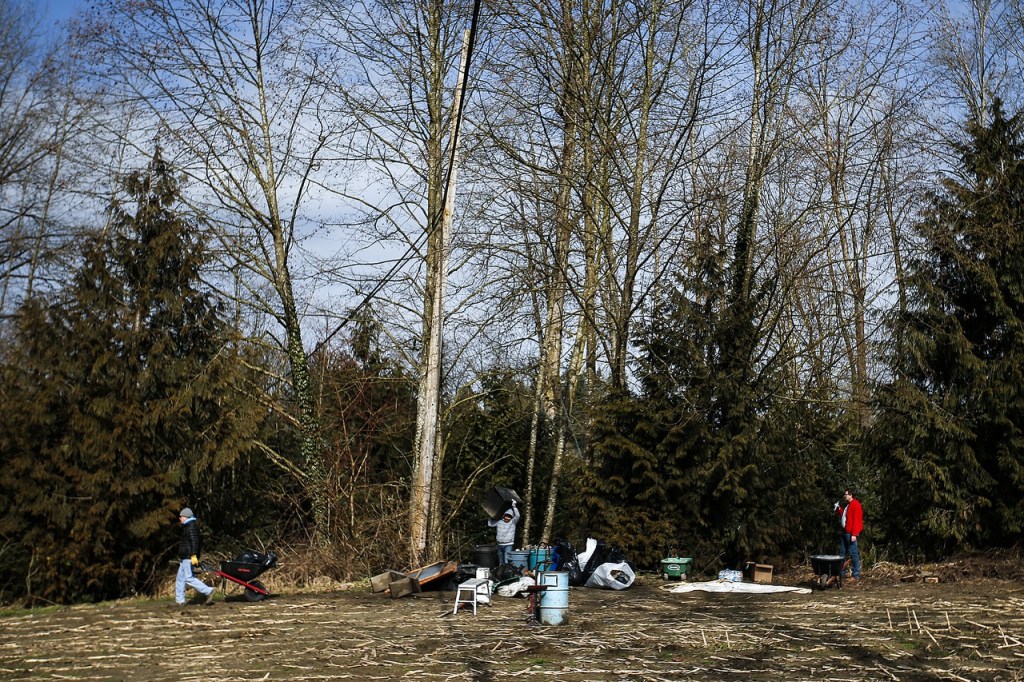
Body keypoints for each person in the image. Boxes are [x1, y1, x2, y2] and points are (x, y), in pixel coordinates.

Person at [176, 507, 215, 606]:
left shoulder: (191, 527)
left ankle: (208, 591)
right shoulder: (188, 526)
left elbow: (195, 543)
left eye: (181, 517)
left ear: (186, 517)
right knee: (180, 578)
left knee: (189, 578)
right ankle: (180, 601)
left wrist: (193, 556)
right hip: (185, 557)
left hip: (188, 557)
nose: (179, 518)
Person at [834, 489, 863, 581]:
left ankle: (856, 575)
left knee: (854, 554)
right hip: (845, 532)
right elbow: (845, 516)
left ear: (851, 495)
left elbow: (857, 520)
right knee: (842, 554)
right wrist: (839, 509)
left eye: (846, 494)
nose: (844, 496)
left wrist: (854, 534)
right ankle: (841, 573)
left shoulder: (856, 505)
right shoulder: (849, 505)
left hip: (850, 533)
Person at [488, 499, 519, 565]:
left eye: (509, 516)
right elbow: (490, 524)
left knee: (507, 560)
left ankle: (507, 574)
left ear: (511, 517)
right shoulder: (499, 521)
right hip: (499, 544)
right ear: (504, 515)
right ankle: (501, 573)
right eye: (506, 516)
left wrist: (514, 506)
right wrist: (490, 513)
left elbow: (517, 516)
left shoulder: (513, 522)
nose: (507, 518)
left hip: (508, 544)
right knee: (501, 561)